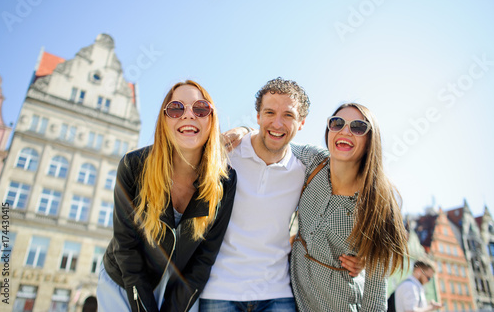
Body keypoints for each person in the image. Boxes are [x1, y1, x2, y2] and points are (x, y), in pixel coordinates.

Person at [199, 78, 362, 312]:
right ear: (257, 117)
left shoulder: (305, 170)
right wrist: (242, 131)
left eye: (288, 115)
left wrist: (360, 257)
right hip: (219, 290)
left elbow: (345, 201)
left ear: (302, 123)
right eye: (269, 112)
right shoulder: (227, 152)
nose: (277, 123)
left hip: (277, 295)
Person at [97, 80, 237, 312]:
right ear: (164, 121)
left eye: (200, 108)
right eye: (176, 108)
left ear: (211, 119)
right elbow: (126, 248)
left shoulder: (226, 181)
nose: (188, 115)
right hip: (124, 279)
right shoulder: (133, 166)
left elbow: (204, 260)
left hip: (179, 287)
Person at [289, 102, 409, 311]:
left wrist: (364, 260)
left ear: (371, 140)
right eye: (337, 123)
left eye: (358, 127)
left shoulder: (378, 202)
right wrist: (243, 131)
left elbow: (375, 295)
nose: (345, 130)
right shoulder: (314, 161)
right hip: (292, 300)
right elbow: (273, 141)